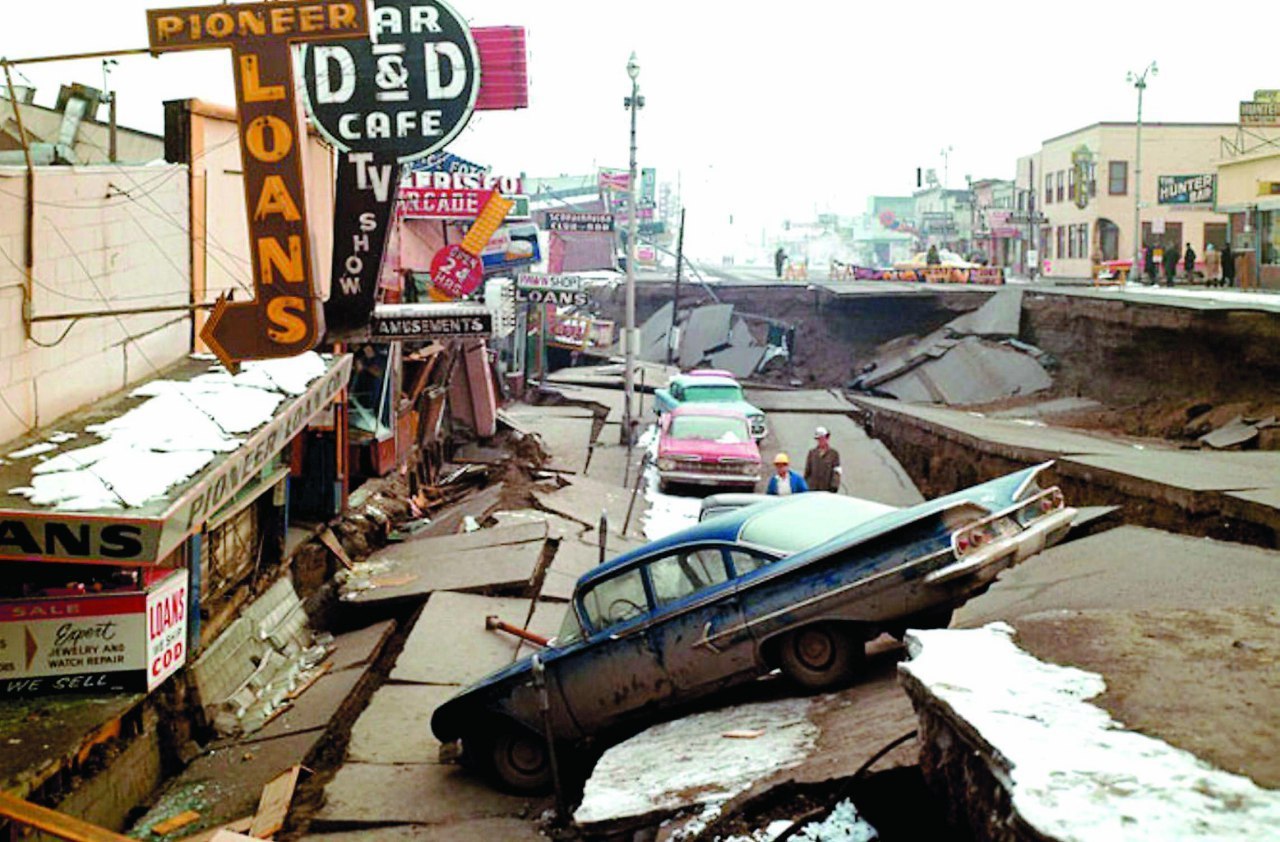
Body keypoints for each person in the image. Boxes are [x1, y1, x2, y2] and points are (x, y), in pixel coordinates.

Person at [804, 426, 842, 493]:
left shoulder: (834, 454)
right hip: (813, 490)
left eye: (821, 438)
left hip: (827, 490)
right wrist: (805, 485)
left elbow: (837, 472)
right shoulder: (812, 453)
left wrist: (834, 486)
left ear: (826, 438)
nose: (820, 441)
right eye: (818, 439)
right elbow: (807, 472)